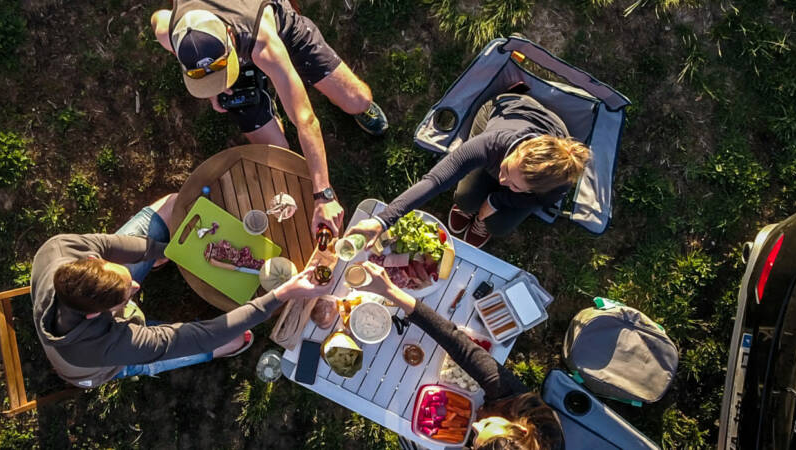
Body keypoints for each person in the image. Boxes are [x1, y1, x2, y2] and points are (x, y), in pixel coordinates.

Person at [31, 194, 323, 388]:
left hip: (93, 315)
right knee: (237, 339)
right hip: (96, 367)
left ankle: (149, 261)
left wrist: (171, 251)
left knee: (172, 206)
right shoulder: (108, 345)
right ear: (96, 313)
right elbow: (204, 336)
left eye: (125, 280)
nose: (136, 286)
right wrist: (279, 295)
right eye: (126, 295)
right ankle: (130, 369)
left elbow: (113, 246)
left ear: (93, 261)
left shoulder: (61, 248)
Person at [151, 0, 389, 235]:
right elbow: (158, 18)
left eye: (220, 69)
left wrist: (323, 195)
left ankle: (351, 105)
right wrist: (212, 85)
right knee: (277, 153)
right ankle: (263, 92)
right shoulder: (170, 32)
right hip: (236, 52)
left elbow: (305, 119)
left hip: (276, 32)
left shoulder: (262, 41)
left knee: (357, 100)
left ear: (230, 36)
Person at [353, 262, 563, 450]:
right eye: (487, 426)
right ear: (521, 429)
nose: (474, 424)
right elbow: (459, 345)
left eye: (478, 444)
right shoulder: (518, 400)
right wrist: (390, 291)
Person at [345, 93, 589, 248]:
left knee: (499, 227)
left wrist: (497, 198)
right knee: (466, 200)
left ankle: (490, 206)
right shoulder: (492, 144)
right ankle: (477, 205)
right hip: (507, 109)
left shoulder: (558, 182)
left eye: (514, 185)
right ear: (519, 150)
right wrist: (382, 220)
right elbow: (435, 180)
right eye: (505, 170)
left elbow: (535, 202)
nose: (502, 180)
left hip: (547, 138)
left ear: (533, 189)